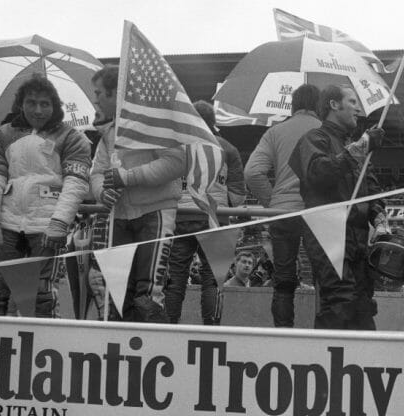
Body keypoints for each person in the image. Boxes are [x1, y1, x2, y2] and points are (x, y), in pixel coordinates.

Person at [0, 75, 91, 317]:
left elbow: (76, 184)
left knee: (41, 296)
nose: (38, 110)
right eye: (31, 102)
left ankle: (40, 347)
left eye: (45, 104)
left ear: (55, 105)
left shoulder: (72, 137)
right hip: (5, 224)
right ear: (21, 104)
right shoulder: (4, 134)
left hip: (49, 226)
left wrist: (60, 223)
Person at [289, 84, 388, 330]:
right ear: (334, 104)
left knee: (363, 303)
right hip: (327, 233)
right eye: (353, 101)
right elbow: (319, 174)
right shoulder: (314, 138)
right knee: (340, 301)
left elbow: (372, 189)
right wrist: (362, 146)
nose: (358, 109)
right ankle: (328, 362)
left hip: (358, 237)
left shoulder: (358, 147)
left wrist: (380, 218)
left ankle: (363, 362)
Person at [90, 65, 183, 323]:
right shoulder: (107, 133)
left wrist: (126, 178)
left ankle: (151, 354)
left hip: (156, 213)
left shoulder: (155, 124)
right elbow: (96, 173)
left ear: (115, 93)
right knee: (117, 292)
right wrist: (101, 192)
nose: (95, 99)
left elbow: (176, 163)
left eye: (99, 93)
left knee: (149, 293)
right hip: (118, 216)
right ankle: (119, 354)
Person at [244, 83, 322, 327]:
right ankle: (326, 334)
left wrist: (273, 200)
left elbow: (252, 173)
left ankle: (283, 335)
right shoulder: (326, 130)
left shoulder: (275, 132)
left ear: (293, 105)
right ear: (319, 105)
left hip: (282, 212)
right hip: (318, 213)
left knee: (284, 278)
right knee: (324, 276)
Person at [163, 100, 246, 326]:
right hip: (216, 220)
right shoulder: (229, 148)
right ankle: (212, 330)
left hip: (180, 217)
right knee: (213, 281)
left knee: (175, 279)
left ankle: (169, 328)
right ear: (213, 123)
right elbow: (238, 197)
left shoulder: (176, 147)